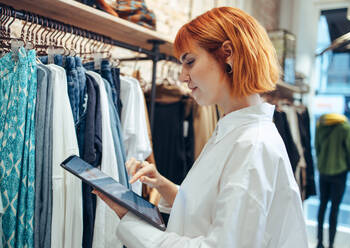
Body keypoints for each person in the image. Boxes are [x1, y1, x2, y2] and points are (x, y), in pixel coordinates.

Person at [94, 7, 308, 247]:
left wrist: (128, 220)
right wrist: (166, 188)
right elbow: (214, 212)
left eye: (190, 62)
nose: (182, 77)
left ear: (228, 54)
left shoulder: (252, 144)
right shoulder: (234, 130)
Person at [315, 113, 350, 248]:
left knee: (322, 206)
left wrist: (322, 161)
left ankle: (319, 242)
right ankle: (331, 244)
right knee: (334, 210)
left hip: (323, 172)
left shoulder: (320, 125)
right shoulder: (345, 128)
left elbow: (317, 147)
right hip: (339, 173)